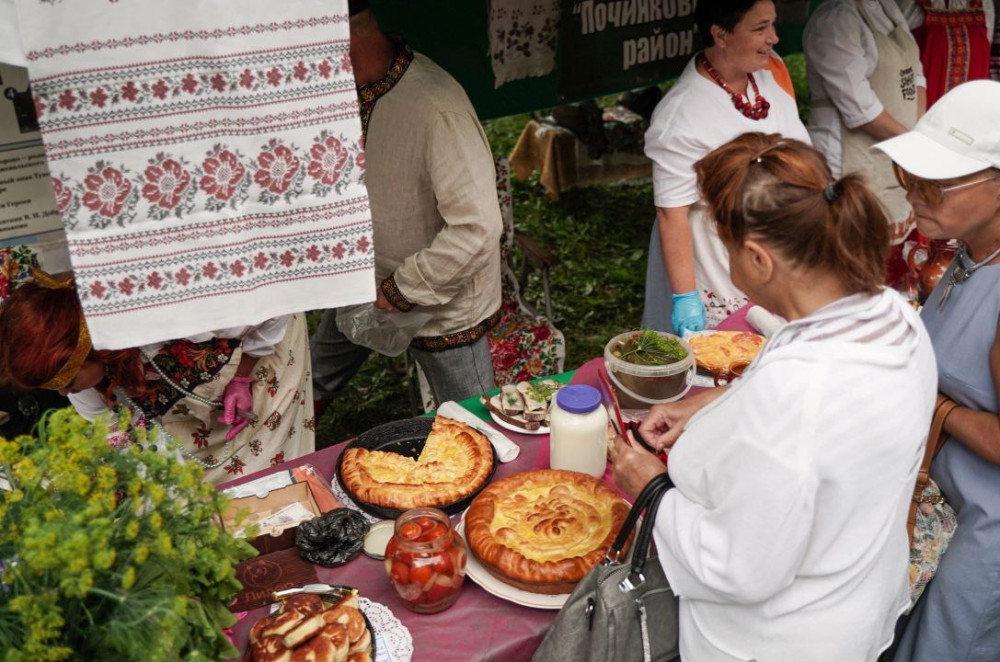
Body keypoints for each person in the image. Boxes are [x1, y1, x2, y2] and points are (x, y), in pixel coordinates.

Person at [613, 133, 937, 661]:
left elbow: (740, 566)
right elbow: (814, 421)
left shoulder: (796, 392)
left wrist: (651, 489)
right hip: (854, 605)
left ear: (759, 259)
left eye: (725, 247)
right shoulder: (892, 315)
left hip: (776, 641)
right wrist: (708, 403)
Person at [310, 4, 502, 418]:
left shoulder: (435, 107)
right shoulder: (362, 89)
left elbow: (477, 229)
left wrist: (402, 290)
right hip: (363, 282)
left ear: (345, 42)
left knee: (473, 424)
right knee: (309, 384)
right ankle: (284, 453)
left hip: (440, 303)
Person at [873, 79, 1000, 661]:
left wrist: (941, 407)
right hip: (936, 501)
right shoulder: (972, 251)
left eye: (935, 183)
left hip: (982, 536)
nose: (914, 195)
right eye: (908, 179)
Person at [0, 276, 313, 484]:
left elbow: (273, 303)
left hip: (259, 342)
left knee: (267, 468)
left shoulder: (167, 307)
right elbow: (108, 428)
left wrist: (243, 377)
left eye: (69, 382)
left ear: (91, 350)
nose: (67, 393)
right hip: (186, 390)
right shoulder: (82, 370)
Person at [642, 0, 809, 335]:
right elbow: (671, 214)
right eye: (760, 28)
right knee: (734, 359)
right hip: (724, 263)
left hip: (783, 249)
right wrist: (686, 297)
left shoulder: (769, 72)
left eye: (773, 25)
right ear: (720, 34)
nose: (774, 38)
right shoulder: (681, 115)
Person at [804, 0, 927, 286]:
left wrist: (917, 132)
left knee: (887, 263)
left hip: (895, 145)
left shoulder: (887, 8)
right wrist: (913, 143)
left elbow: (915, 74)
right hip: (847, 152)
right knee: (850, 249)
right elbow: (861, 110)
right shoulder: (835, 20)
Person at [899, 0, 995, 107]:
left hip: (971, 109)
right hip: (923, 107)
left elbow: (985, 48)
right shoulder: (910, 5)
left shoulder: (984, 4)